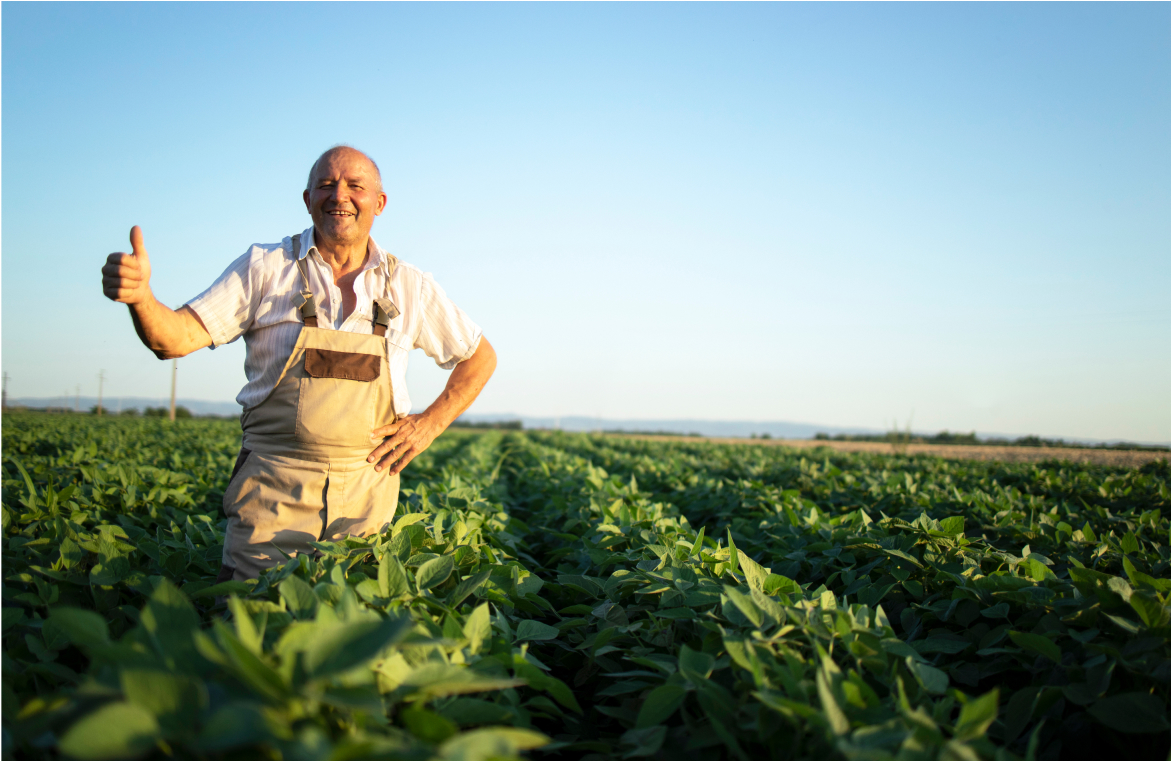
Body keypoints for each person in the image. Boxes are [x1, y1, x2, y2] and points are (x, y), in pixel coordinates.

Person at [100, 145, 497, 581]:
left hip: (366, 509)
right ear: (307, 199)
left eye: (355, 186)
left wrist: (429, 424)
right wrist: (141, 299)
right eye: (325, 185)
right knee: (249, 630)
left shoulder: (408, 285)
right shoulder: (265, 268)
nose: (339, 195)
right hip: (270, 505)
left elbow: (479, 357)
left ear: (379, 203)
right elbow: (172, 339)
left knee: (353, 637)